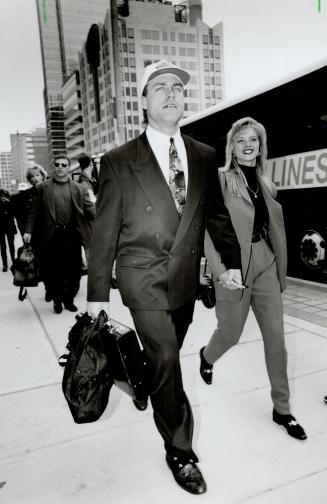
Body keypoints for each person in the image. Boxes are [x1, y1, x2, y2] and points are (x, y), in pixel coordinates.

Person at [86, 60, 242, 495]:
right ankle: (180, 451)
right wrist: (97, 292)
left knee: (162, 359)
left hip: (185, 280)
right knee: (167, 358)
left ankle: (150, 382)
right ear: (143, 101)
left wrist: (228, 264)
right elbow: (104, 231)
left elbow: (215, 216)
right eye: (159, 87)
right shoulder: (118, 161)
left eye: (177, 86)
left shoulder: (204, 155)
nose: (171, 93)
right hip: (142, 278)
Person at [200, 117, 307, 441]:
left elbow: (273, 230)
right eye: (241, 139)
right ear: (231, 146)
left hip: (265, 265)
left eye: (254, 140)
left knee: (277, 339)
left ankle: (282, 409)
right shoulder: (218, 180)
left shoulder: (267, 184)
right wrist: (218, 272)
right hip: (232, 266)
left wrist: (279, 270)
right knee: (230, 333)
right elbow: (205, 230)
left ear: (261, 147)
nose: (248, 145)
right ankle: (207, 357)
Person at [23, 155, 96, 314]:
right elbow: (33, 212)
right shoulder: (42, 187)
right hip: (52, 234)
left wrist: (105, 220)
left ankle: (69, 299)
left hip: (72, 234)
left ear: (68, 167)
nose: (60, 167)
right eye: (57, 164)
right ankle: (57, 299)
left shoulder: (79, 188)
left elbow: (91, 210)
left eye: (64, 164)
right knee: (54, 271)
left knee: (74, 271)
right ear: (53, 166)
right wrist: (28, 231)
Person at [11, 164, 48, 237]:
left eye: (37, 175)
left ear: (42, 176)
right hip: (35, 229)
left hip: (49, 227)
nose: (35, 178)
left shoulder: (50, 189)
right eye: (32, 176)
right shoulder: (27, 194)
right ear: (30, 179)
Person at [0, 188, 17, 272]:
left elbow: (14, 214)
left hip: (10, 227)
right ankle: (5, 264)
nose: (2, 198)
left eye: (4, 196)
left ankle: (13, 262)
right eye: (1, 196)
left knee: (11, 245)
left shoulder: (10, 203)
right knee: (2, 246)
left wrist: (9, 203)